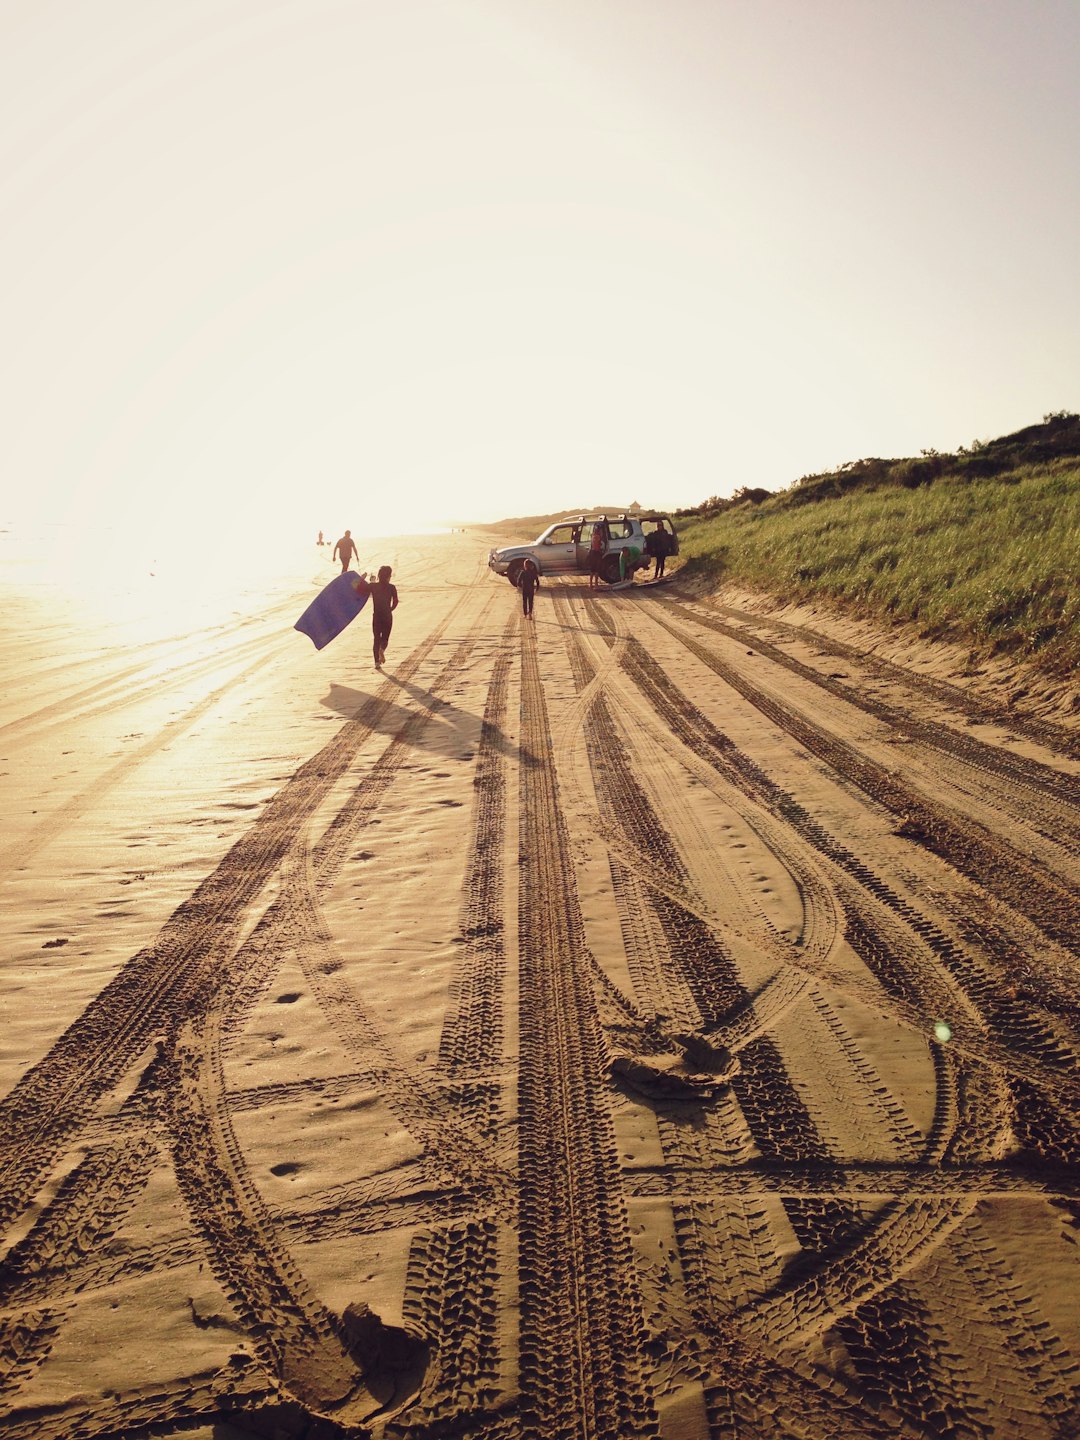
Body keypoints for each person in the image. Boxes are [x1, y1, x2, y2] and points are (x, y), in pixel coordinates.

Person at [370, 565, 398, 667]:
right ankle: (382, 650)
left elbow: (359, 588)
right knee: (385, 638)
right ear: (388, 576)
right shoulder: (392, 587)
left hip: (376, 616)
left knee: (376, 638)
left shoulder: (373, 586)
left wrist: (361, 578)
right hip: (387, 616)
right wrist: (390, 609)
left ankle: (377, 662)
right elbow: (395, 601)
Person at [588, 523, 605, 591]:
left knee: (592, 570)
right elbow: (600, 544)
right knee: (596, 570)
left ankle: (591, 583)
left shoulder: (593, 536)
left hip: (592, 553)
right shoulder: (598, 537)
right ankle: (596, 584)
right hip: (597, 553)